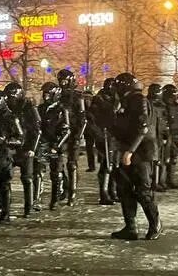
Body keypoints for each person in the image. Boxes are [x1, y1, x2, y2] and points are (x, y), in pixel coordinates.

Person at [108, 72, 161, 241]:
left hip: (140, 152)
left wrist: (130, 151)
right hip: (127, 150)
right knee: (125, 189)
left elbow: (142, 128)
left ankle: (155, 224)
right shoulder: (125, 102)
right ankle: (130, 227)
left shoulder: (138, 100)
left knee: (142, 190)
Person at [3, 82, 41, 217]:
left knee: (27, 178)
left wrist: (32, 148)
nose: (10, 99)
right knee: (5, 178)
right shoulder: (6, 108)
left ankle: (29, 206)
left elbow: (37, 130)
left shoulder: (29, 107)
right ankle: (4, 209)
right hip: (10, 147)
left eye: (12, 96)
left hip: (25, 147)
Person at [0, 89, 23, 223]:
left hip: (4, 156)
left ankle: (5, 213)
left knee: (4, 185)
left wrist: (5, 141)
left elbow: (20, 139)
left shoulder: (11, 118)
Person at [37, 81, 73, 209]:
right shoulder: (41, 109)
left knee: (56, 172)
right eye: (44, 93)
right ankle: (35, 198)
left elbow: (66, 130)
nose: (45, 96)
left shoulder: (62, 109)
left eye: (48, 94)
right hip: (43, 142)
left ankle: (55, 199)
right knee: (38, 170)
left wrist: (57, 145)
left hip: (56, 143)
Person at [56, 69, 89, 199]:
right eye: (61, 81)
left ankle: (72, 192)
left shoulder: (77, 96)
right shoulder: (58, 95)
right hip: (60, 132)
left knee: (72, 163)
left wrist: (78, 136)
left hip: (74, 132)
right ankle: (65, 186)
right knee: (57, 162)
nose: (62, 84)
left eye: (64, 81)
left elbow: (83, 119)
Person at [88, 79, 119, 204]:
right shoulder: (99, 99)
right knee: (107, 165)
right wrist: (99, 133)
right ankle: (104, 193)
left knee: (114, 164)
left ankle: (113, 191)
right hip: (104, 134)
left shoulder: (117, 99)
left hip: (114, 135)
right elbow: (91, 118)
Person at [160, 83, 178, 189]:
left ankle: (170, 180)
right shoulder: (163, 106)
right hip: (167, 135)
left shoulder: (177, 106)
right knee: (164, 159)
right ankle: (161, 181)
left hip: (176, 134)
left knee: (173, 159)